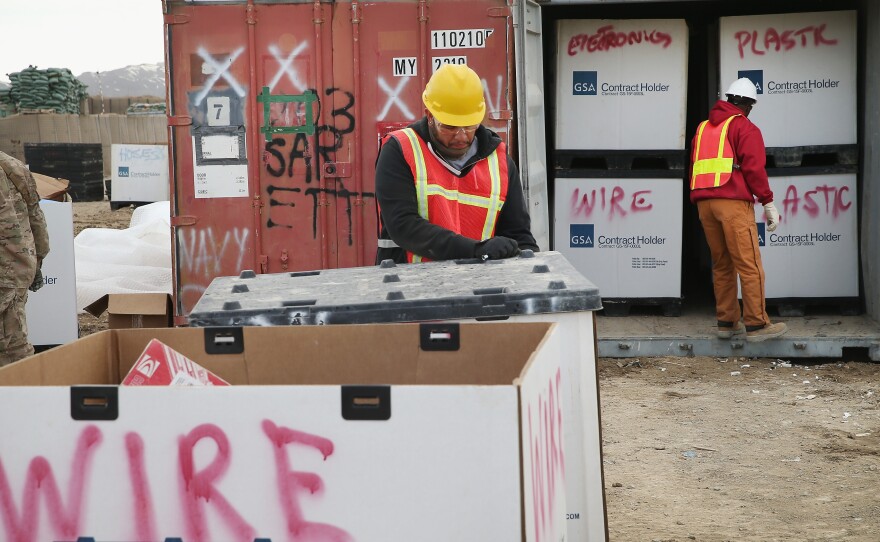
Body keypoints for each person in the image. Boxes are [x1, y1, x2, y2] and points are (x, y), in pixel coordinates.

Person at [375, 64, 538, 264]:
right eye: (450, 127)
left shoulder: (500, 161)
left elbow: (520, 236)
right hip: (411, 288)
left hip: (480, 288)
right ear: (429, 115)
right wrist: (476, 250)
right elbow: (404, 226)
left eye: (469, 126)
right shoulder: (401, 150)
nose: (461, 136)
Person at [689, 77, 787, 343]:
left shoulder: (703, 128)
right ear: (749, 105)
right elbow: (754, 169)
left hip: (704, 204)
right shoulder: (744, 128)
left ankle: (727, 322)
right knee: (750, 264)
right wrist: (767, 202)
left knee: (722, 264)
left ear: (728, 99)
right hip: (732, 202)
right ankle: (756, 324)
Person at [1, 151, 49, 365]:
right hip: (14, 270)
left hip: (6, 273)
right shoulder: (11, 164)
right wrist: (38, 259)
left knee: (12, 350)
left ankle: (21, 394)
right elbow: (35, 216)